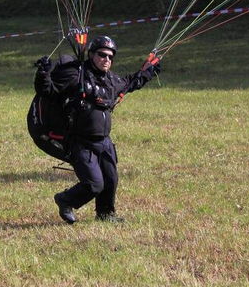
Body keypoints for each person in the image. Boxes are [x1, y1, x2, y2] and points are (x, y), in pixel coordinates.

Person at [34, 36, 161, 224]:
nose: (106, 60)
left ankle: (105, 213)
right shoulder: (76, 75)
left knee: (110, 180)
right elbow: (48, 92)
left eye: (110, 57)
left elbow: (132, 82)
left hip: (104, 141)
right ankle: (65, 200)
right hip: (80, 141)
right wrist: (43, 73)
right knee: (94, 185)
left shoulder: (111, 80)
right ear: (92, 54)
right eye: (102, 55)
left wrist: (149, 71)